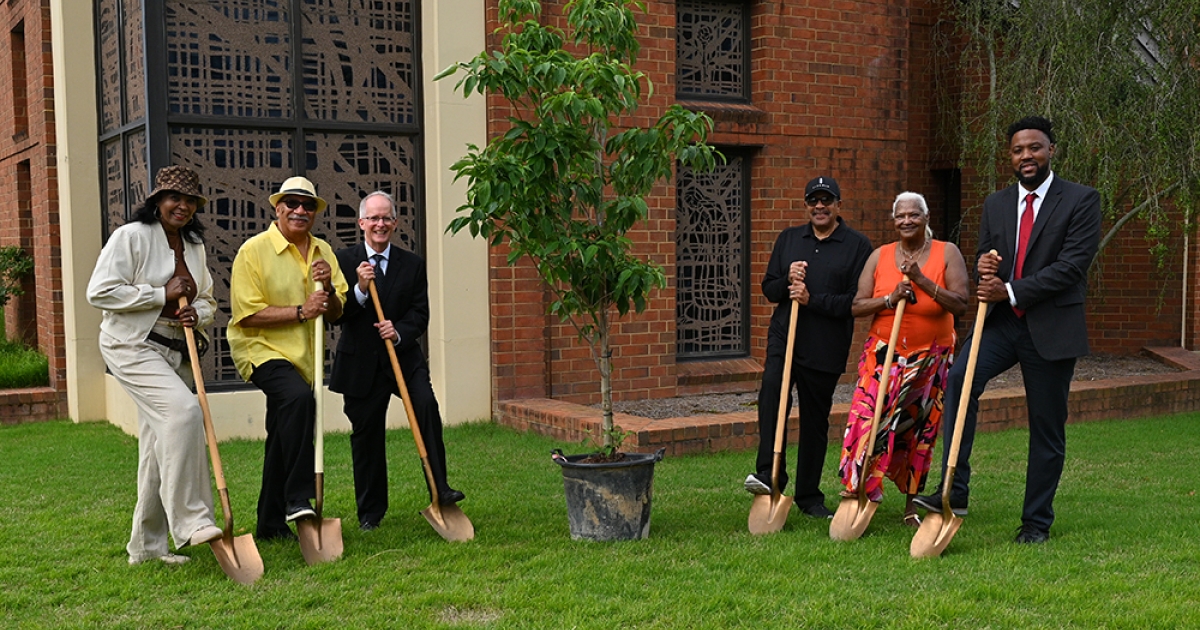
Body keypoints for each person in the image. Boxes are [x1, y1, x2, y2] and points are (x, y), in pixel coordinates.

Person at [913, 116, 1102, 544]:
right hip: (1000, 324)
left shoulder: (1081, 200)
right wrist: (984, 266)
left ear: (1051, 150)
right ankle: (954, 490)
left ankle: (1036, 522)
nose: (1026, 156)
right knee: (959, 380)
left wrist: (1011, 290)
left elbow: (1072, 267)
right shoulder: (996, 203)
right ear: (1010, 157)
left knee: (1046, 427)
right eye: (1018, 150)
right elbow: (988, 256)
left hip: (1050, 327)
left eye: (1034, 147)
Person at [87, 165, 224, 565]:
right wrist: (159, 294)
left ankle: (146, 548)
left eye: (190, 200)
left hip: (176, 349)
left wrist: (197, 313)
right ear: (157, 201)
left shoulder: (193, 246)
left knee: (157, 447)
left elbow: (208, 300)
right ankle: (193, 520)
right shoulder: (131, 237)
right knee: (184, 414)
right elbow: (100, 292)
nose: (182, 206)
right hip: (131, 345)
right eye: (174, 198)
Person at [330, 191, 463, 532]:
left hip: (403, 358)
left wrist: (399, 331)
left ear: (395, 223)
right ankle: (370, 512)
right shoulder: (343, 260)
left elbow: (420, 313)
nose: (380, 224)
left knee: (426, 407)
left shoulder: (412, 264)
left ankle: (440, 489)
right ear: (361, 223)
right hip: (361, 362)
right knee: (367, 435)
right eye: (373, 218)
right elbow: (336, 314)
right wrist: (360, 289)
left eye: (386, 218)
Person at [836, 192, 969, 526]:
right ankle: (857, 491)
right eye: (900, 216)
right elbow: (857, 306)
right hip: (883, 354)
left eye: (913, 215)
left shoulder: (946, 252)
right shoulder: (879, 256)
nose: (906, 221)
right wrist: (889, 298)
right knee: (865, 420)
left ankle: (911, 506)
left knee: (918, 431)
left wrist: (921, 280)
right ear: (893, 221)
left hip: (931, 359)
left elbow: (960, 303)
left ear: (925, 218)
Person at [227, 176, 348, 541]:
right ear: (277, 208)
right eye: (292, 203)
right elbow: (246, 314)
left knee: (284, 432)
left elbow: (337, 313)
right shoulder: (253, 251)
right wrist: (301, 311)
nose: (300, 210)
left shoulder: (323, 251)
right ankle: (297, 497)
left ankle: (270, 524)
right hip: (261, 350)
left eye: (308, 205)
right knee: (297, 400)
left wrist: (328, 289)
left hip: (303, 359)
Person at [745, 176, 873, 519]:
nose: (819, 206)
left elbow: (854, 302)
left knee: (815, 421)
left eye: (826, 200)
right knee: (772, 395)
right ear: (806, 205)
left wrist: (811, 299)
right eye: (813, 200)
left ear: (838, 205)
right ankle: (769, 475)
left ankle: (809, 497)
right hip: (785, 335)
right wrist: (787, 279)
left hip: (825, 345)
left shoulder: (857, 246)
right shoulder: (789, 239)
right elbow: (769, 288)